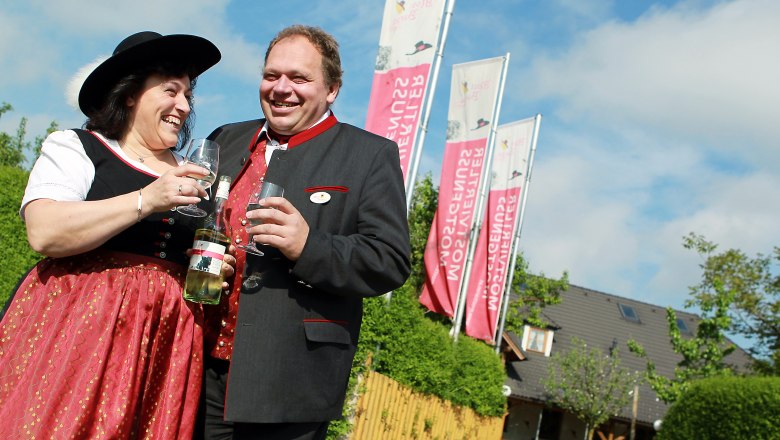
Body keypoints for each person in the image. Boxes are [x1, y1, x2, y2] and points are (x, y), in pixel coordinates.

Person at [0, 31, 230, 439]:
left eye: (188, 94)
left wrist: (212, 264)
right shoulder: (80, 147)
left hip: (166, 336)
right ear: (129, 96)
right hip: (81, 326)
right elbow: (44, 232)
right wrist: (145, 198)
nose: (183, 105)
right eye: (170, 91)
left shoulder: (194, 172)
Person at [197, 25, 411, 439]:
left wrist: (308, 246)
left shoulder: (369, 155)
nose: (281, 89)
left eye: (299, 78)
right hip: (201, 364)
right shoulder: (225, 138)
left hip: (290, 380)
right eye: (271, 75)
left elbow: (389, 260)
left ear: (331, 89)